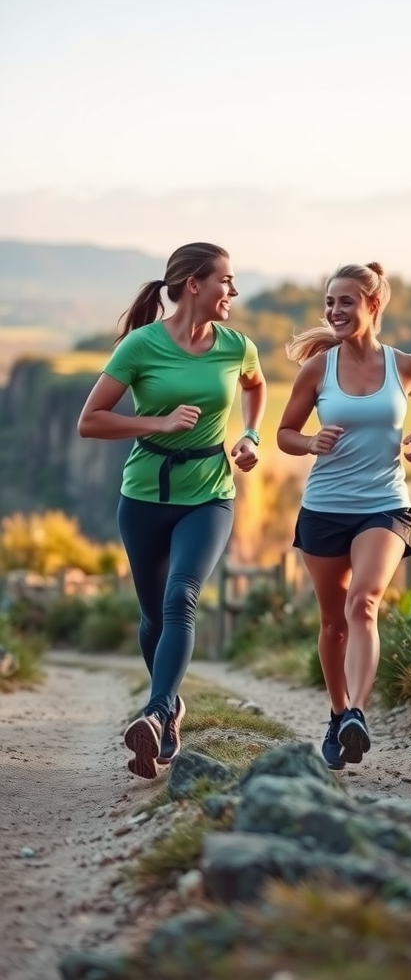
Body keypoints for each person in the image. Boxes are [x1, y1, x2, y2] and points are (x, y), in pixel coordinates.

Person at [77, 242, 266, 779]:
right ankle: (172, 706)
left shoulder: (237, 346)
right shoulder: (141, 347)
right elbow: (90, 421)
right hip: (142, 496)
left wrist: (250, 436)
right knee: (153, 616)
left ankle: (157, 713)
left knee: (181, 594)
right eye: (225, 281)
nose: (232, 291)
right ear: (193, 285)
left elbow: (256, 386)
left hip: (209, 492)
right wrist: (156, 423)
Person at [277, 261, 411, 770]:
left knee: (364, 601)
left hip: (385, 504)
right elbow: (286, 432)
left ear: (373, 306)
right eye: (329, 302)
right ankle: (336, 715)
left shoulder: (406, 366)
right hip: (325, 508)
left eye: (345, 301)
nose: (334, 311)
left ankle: (356, 712)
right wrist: (310, 441)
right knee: (333, 623)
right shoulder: (318, 369)